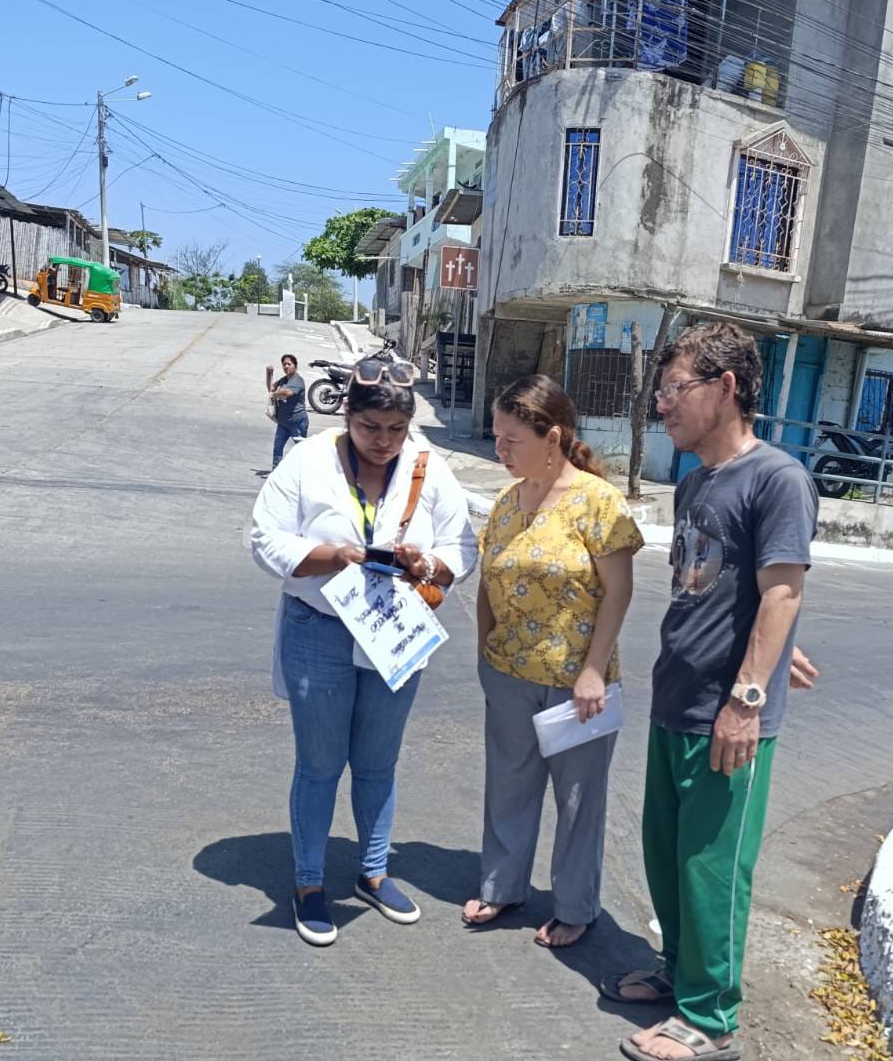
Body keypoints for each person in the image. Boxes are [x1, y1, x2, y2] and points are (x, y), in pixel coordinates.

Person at [604, 322, 819, 1061]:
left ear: (725, 388)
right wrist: (774, 648)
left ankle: (711, 1015)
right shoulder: (695, 482)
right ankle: (678, 971)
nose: (662, 404)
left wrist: (748, 696)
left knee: (712, 867)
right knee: (667, 856)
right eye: (660, 390)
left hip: (728, 714)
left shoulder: (777, 479)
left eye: (675, 388)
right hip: (677, 696)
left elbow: (783, 590)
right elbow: (729, 589)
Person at [251, 358, 478, 946]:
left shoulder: (428, 465)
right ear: (347, 415)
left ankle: (374, 872)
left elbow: (462, 545)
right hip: (319, 628)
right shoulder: (308, 459)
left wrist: (427, 563)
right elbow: (264, 537)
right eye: (370, 427)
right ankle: (308, 883)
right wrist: (333, 556)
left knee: (378, 762)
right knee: (320, 764)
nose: (383, 442)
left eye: (396, 430)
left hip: (392, 629)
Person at [463, 376, 643, 949]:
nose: (500, 450)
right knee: (507, 788)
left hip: (577, 686)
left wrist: (592, 671)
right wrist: (485, 653)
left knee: (578, 800)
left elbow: (618, 592)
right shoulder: (506, 502)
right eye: (497, 437)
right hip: (509, 676)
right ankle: (501, 886)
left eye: (511, 440)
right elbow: (488, 582)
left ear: (553, 438)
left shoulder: (597, 502)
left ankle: (575, 906)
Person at [266, 354, 308, 468]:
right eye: (284, 364)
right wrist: (269, 374)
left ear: (295, 366)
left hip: (297, 423)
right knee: (277, 449)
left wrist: (274, 394)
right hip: (283, 423)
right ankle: (275, 472)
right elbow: (271, 389)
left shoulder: (298, 380)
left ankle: (304, 472)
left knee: (302, 451)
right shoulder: (283, 380)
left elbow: (288, 392)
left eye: (289, 364)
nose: (286, 366)